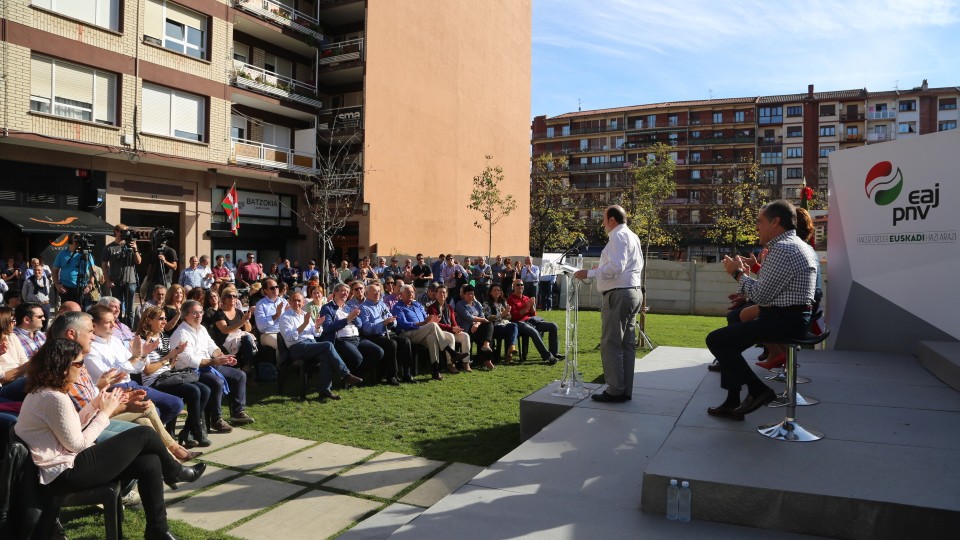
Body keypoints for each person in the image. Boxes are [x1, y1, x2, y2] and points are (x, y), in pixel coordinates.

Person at [14, 338, 206, 540]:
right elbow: (78, 443)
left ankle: (158, 530)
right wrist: (105, 413)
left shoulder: (45, 392)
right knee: (144, 434)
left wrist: (97, 404)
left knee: (149, 462)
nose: (82, 368)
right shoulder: (54, 398)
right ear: (62, 367)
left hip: (63, 465)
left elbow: (72, 428)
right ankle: (175, 472)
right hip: (62, 473)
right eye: (79, 363)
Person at [704, 200, 818, 420]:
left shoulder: (782, 249)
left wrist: (737, 273)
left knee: (717, 340)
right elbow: (771, 290)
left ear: (776, 222)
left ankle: (758, 391)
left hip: (784, 320)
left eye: (759, 221)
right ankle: (732, 401)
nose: (756, 226)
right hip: (792, 317)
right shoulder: (798, 245)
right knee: (729, 339)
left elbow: (762, 296)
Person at [573, 205, 643, 403]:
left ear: (612, 220)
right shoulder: (632, 236)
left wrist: (591, 272)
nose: (602, 223)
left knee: (611, 343)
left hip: (619, 294)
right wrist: (602, 269)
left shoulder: (617, 236)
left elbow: (617, 267)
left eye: (604, 219)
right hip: (633, 292)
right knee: (626, 343)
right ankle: (624, 389)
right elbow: (626, 265)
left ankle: (615, 389)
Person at [84, 305, 185, 424]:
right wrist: (135, 357)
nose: (113, 325)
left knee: (176, 404)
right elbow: (110, 377)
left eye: (113, 321)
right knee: (153, 412)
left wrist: (142, 355)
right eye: (108, 322)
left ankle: (154, 431)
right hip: (113, 390)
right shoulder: (91, 348)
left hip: (132, 384)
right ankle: (152, 433)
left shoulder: (115, 341)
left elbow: (136, 369)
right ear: (94, 325)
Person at [170, 300, 254, 432]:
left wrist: (223, 357)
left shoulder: (201, 329)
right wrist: (214, 362)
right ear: (185, 315)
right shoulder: (181, 333)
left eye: (200, 312)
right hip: (190, 371)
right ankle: (216, 419)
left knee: (240, 375)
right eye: (194, 313)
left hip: (208, 365)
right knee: (216, 382)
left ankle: (237, 412)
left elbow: (212, 347)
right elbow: (189, 360)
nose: (199, 315)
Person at [136, 306, 210, 448]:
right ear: (148, 321)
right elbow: (147, 371)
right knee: (193, 391)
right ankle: (197, 431)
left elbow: (168, 366)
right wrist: (168, 357)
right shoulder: (142, 341)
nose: (165, 321)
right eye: (161, 318)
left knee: (205, 389)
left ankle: (187, 430)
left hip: (167, 376)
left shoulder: (164, 338)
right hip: (154, 381)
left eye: (165, 318)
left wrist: (174, 357)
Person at [279, 291, 362, 400]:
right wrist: (304, 324)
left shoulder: (305, 314)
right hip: (296, 347)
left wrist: (317, 326)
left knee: (325, 356)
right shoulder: (285, 317)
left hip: (311, 344)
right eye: (294, 300)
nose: (296, 303)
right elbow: (289, 338)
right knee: (327, 345)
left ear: (303, 303)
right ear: (289, 302)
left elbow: (316, 334)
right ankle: (346, 375)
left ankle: (325, 390)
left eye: (299, 300)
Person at [392, 284, 465, 381]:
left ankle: (435, 371)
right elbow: (404, 325)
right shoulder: (397, 307)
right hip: (407, 333)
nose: (411, 294)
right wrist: (426, 323)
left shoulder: (417, 305)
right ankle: (451, 352)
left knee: (432, 338)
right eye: (408, 292)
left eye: (412, 292)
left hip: (423, 331)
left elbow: (426, 318)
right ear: (401, 294)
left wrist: (431, 320)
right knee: (433, 326)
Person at [319, 283, 383, 384]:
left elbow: (360, 324)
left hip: (356, 338)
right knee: (357, 357)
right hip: (341, 340)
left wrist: (354, 317)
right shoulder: (327, 308)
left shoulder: (348, 307)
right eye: (343, 291)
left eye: (347, 292)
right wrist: (348, 318)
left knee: (378, 352)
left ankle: (355, 376)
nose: (345, 293)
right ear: (335, 292)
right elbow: (327, 327)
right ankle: (350, 378)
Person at [358, 283, 409, 384]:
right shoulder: (363, 308)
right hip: (373, 336)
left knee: (405, 341)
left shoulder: (382, 304)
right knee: (391, 344)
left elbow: (392, 318)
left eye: (378, 291)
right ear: (367, 294)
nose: (377, 293)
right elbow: (366, 328)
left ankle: (407, 373)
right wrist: (383, 324)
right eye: (374, 292)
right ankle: (391, 376)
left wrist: (392, 322)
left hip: (387, 332)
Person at [507, 279, 561, 365]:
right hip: (519, 323)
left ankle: (554, 353)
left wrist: (532, 306)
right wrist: (527, 308)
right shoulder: (510, 299)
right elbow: (514, 316)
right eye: (517, 285)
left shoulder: (526, 298)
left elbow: (533, 314)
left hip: (532, 320)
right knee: (533, 331)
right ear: (513, 287)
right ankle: (547, 356)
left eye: (521, 285)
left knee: (553, 325)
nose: (520, 287)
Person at [210, 286, 258, 374]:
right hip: (225, 342)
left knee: (248, 338)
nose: (232, 298)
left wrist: (246, 321)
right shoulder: (219, 314)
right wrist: (242, 322)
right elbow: (225, 330)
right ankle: (247, 367)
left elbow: (248, 329)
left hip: (239, 341)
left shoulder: (239, 312)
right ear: (224, 299)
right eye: (229, 296)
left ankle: (247, 367)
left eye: (234, 296)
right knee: (247, 340)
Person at [102, 224, 142, 327]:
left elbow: (138, 262)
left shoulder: (131, 245)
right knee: (116, 307)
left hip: (130, 280)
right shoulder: (109, 248)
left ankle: (129, 329)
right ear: (116, 232)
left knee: (130, 309)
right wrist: (107, 280)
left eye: (127, 231)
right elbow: (104, 265)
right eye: (123, 231)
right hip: (116, 281)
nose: (126, 233)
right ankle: (117, 327)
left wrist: (135, 249)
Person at [427, 285, 472, 373]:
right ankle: (450, 364)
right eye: (439, 292)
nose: (442, 294)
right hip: (439, 332)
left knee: (465, 336)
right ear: (436, 294)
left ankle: (466, 363)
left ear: (447, 294)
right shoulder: (431, 308)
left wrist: (457, 328)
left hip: (450, 330)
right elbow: (436, 324)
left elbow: (453, 321)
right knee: (451, 336)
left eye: (444, 292)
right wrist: (452, 328)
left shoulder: (449, 308)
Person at [454, 285, 496, 370]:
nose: (470, 295)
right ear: (464, 295)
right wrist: (482, 320)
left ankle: (486, 349)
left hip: (476, 327)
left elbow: (481, 315)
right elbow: (468, 317)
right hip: (467, 329)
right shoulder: (460, 304)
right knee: (486, 329)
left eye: (472, 294)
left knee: (489, 326)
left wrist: (477, 324)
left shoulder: (477, 304)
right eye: (468, 294)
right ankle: (486, 358)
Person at [52, 233, 97, 306]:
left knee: (81, 311)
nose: (78, 241)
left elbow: (93, 271)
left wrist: (90, 284)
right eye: (76, 239)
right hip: (66, 288)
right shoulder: (62, 254)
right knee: (67, 310)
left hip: (82, 287)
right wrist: (57, 284)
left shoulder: (86, 254)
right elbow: (54, 271)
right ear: (70, 241)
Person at [0, 305, 31, 400]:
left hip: (18, 378)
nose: (15, 323)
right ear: (4, 322)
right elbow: (3, 378)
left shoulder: (12, 336)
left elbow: (23, 361)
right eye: (13, 320)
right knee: (29, 381)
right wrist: (32, 363)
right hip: (4, 386)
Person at [483, 284, 520, 363]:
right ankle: (509, 354)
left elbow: (509, 317)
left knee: (514, 325)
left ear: (501, 292)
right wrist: (503, 314)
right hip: (495, 326)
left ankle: (511, 347)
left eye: (498, 290)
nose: (497, 292)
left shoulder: (503, 302)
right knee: (509, 330)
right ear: (490, 292)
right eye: (495, 290)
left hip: (505, 324)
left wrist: (506, 314)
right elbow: (489, 317)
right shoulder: (486, 304)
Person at [254, 277, 286, 350]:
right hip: (268, 333)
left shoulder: (284, 301)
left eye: (276, 287)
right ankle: (283, 361)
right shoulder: (260, 305)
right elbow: (260, 326)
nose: (275, 289)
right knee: (281, 344)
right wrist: (276, 315)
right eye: (272, 288)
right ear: (266, 290)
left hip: (284, 332)